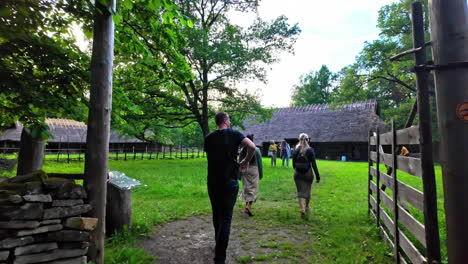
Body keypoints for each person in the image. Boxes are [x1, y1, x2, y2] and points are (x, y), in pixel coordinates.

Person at [204, 112, 256, 264]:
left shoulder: (209, 138)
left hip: (213, 181)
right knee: (226, 217)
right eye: (229, 120)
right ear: (226, 121)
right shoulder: (234, 134)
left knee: (216, 214)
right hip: (229, 181)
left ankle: (218, 243)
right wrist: (246, 160)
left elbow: (211, 157)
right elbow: (252, 146)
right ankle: (220, 257)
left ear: (217, 122)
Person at [291, 133, 320, 217]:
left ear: (299, 140)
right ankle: (307, 207)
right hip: (308, 173)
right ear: (308, 140)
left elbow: (293, 163)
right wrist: (318, 176)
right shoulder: (310, 150)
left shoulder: (296, 150)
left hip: (298, 173)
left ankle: (302, 209)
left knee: (300, 192)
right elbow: (314, 164)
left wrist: (297, 169)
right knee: (308, 190)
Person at [239, 134, 263, 216]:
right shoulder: (256, 149)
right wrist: (261, 174)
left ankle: (246, 206)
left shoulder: (242, 150)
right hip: (254, 170)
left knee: (246, 188)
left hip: (244, 170)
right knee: (254, 189)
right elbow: (259, 162)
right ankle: (249, 206)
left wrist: (239, 174)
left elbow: (240, 161)